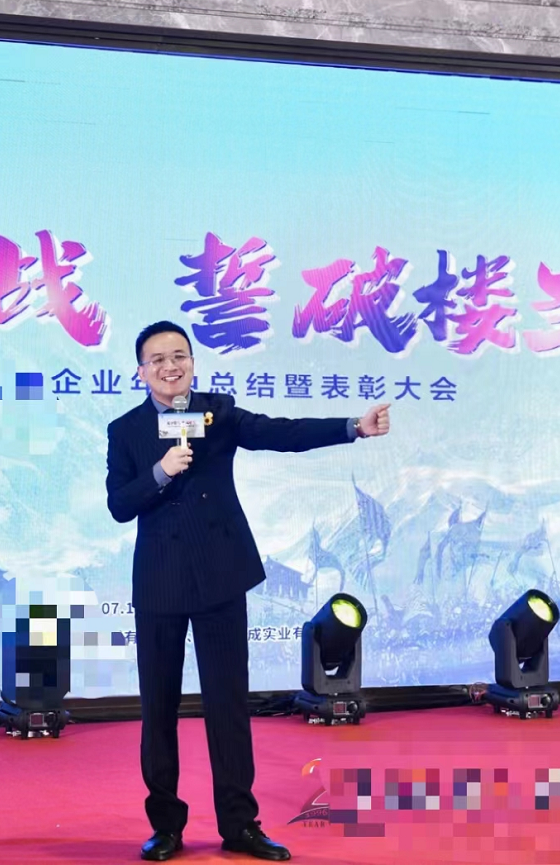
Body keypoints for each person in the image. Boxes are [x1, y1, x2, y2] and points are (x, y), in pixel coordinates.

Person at [105, 321, 390, 861]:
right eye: (158, 359)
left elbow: (281, 432)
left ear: (192, 362)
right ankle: (166, 826)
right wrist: (161, 472)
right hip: (161, 583)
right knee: (159, 708)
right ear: (141, 371)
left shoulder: (218, 413)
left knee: (228, 706)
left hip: (220, 576)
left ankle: (240, 825)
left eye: (180, 356)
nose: (171, 367)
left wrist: (353, 426)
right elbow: (120, 504)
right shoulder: (126, 430)